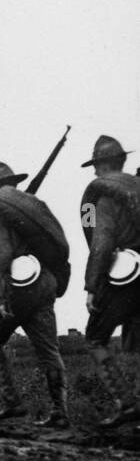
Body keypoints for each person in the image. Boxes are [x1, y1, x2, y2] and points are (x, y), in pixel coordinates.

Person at [0, 161, 71, 427]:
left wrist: (3, 296)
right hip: (45, 281)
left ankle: (11, 403)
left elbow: (3, 254)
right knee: (49, 349)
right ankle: (60, 412)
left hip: (17, 287)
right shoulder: (35, 207)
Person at [79, 135, 140, 427]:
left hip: (128, 275)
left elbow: (102, 245)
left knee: (95, 337)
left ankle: (126, 403)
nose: (94, 173)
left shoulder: (106, 196)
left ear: (103, 165)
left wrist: (91, 287)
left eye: (96, 165)